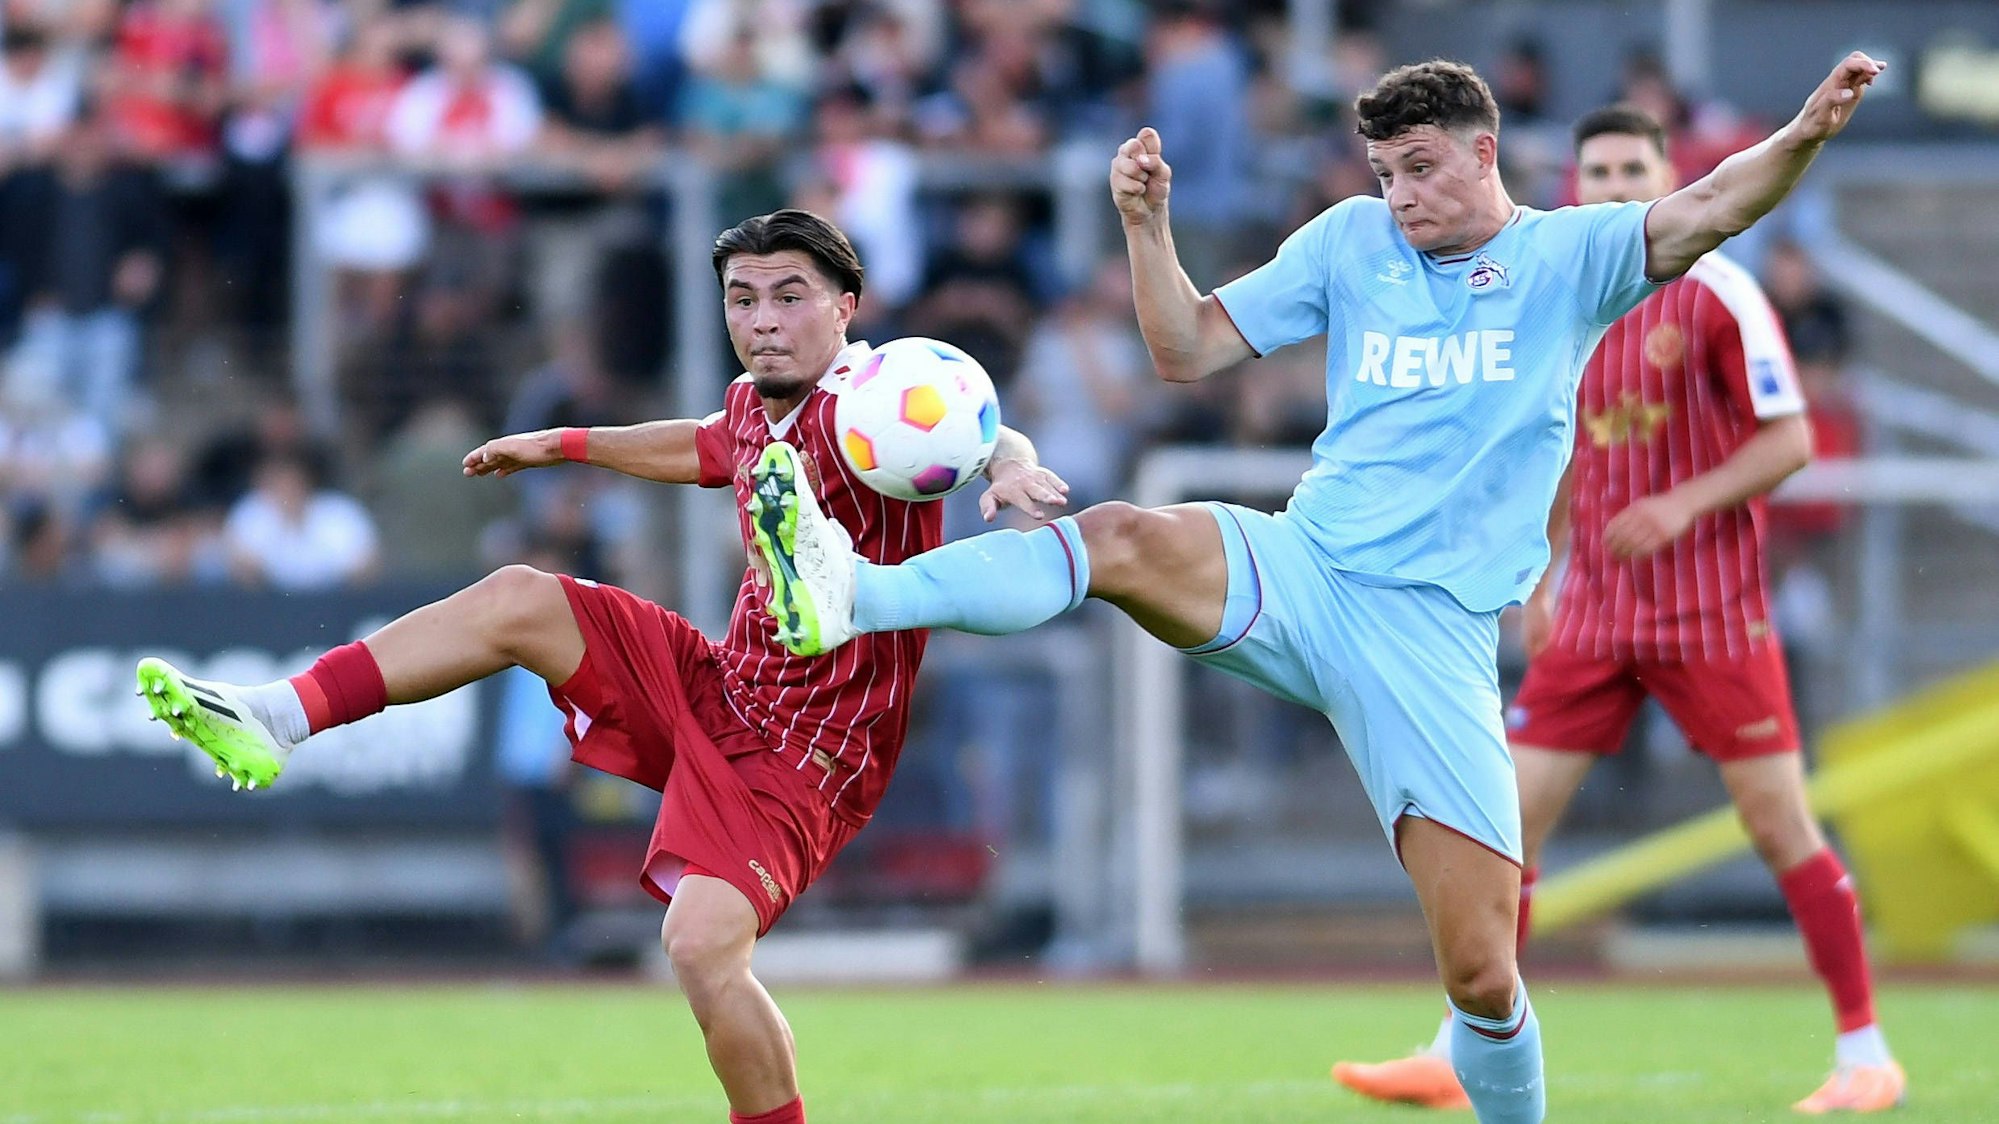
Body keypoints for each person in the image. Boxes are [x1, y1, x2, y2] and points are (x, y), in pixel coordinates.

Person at [750, 55, 1886, 1124]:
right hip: (1303, 565)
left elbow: (1713, 205)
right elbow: (1185, 347)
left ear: (1486, 153)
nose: (1399, 195)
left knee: (1483, 972)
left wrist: (1806, 131)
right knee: (1123, 534)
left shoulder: (1567, 257)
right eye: (1385, 173)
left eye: (1422, 168)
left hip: (1430, 636)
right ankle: (856, 592)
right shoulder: (1349, 242)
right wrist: (1147, 224)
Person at [133, 209, 1069, 1124]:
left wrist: (1005, 471)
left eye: (790, 296)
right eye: (742, 300)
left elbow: (977, 428)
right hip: (723, 685)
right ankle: (277, 716)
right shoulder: (753, 404)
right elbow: (704, 444)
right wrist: (563, 445)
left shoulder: (876, 401)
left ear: (845, 305)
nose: (764, 320)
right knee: (519, 598)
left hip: (813, 750)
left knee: (701, 949)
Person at [1330, 104, 1904, 1116]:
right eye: (1595, 169)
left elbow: (1791, 442)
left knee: (1778, 824)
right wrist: (1542, 576)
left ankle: (1865, 1049)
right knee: (1501, 827)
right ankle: (1452, 1051)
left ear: (1663, 173)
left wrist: (1680, 502)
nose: (1611, 184)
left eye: (1631, 166)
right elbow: (1544, 451)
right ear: (1574, 183)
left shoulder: (1721, 288)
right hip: (1594, 613)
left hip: (1709, 614)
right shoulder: (1557, 294)